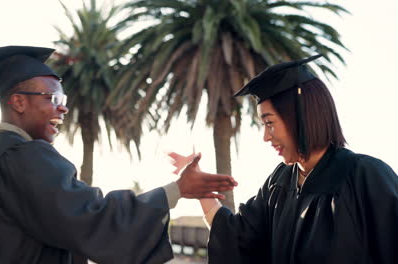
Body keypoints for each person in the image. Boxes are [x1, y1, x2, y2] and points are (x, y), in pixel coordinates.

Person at [0, 45, 238, 264]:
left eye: (62, 98)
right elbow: (96, 218)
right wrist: (178, 189)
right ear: (18, 102)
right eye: (52, 98)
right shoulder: (25, 158)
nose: (63, 107)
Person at [170, 55, 398, 263]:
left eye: (270, 123)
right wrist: (200, 189)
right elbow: (237, 238)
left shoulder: (365, 176)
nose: (265, 137)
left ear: (300, 117)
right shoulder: (279, 183)